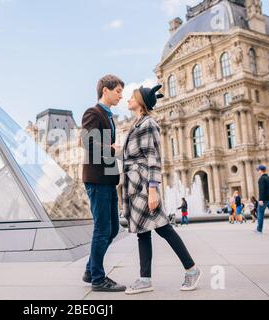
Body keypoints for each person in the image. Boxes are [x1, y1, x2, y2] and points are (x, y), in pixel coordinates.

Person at [122, 84, 201, 295]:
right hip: (136, 185)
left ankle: (191, 269)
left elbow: (153, 158)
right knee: (143, 232)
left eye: (131, 96)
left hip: (144, 185)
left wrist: (153, 189)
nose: (128, 99)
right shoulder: (137, 124)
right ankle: (145, 278)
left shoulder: (149, 124)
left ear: (141, 101)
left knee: (163, 228)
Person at [81, 75, 126, 292]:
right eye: (118, 91)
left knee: (113, 228)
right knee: (102, 228)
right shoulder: (93, 112)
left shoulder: (108, 117)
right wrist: (112, 150)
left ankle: (91, 269)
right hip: (97, 180)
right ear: (105, 91)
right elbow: (88, 142)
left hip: (107, 180)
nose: (121, 95)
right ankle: (98, 279)